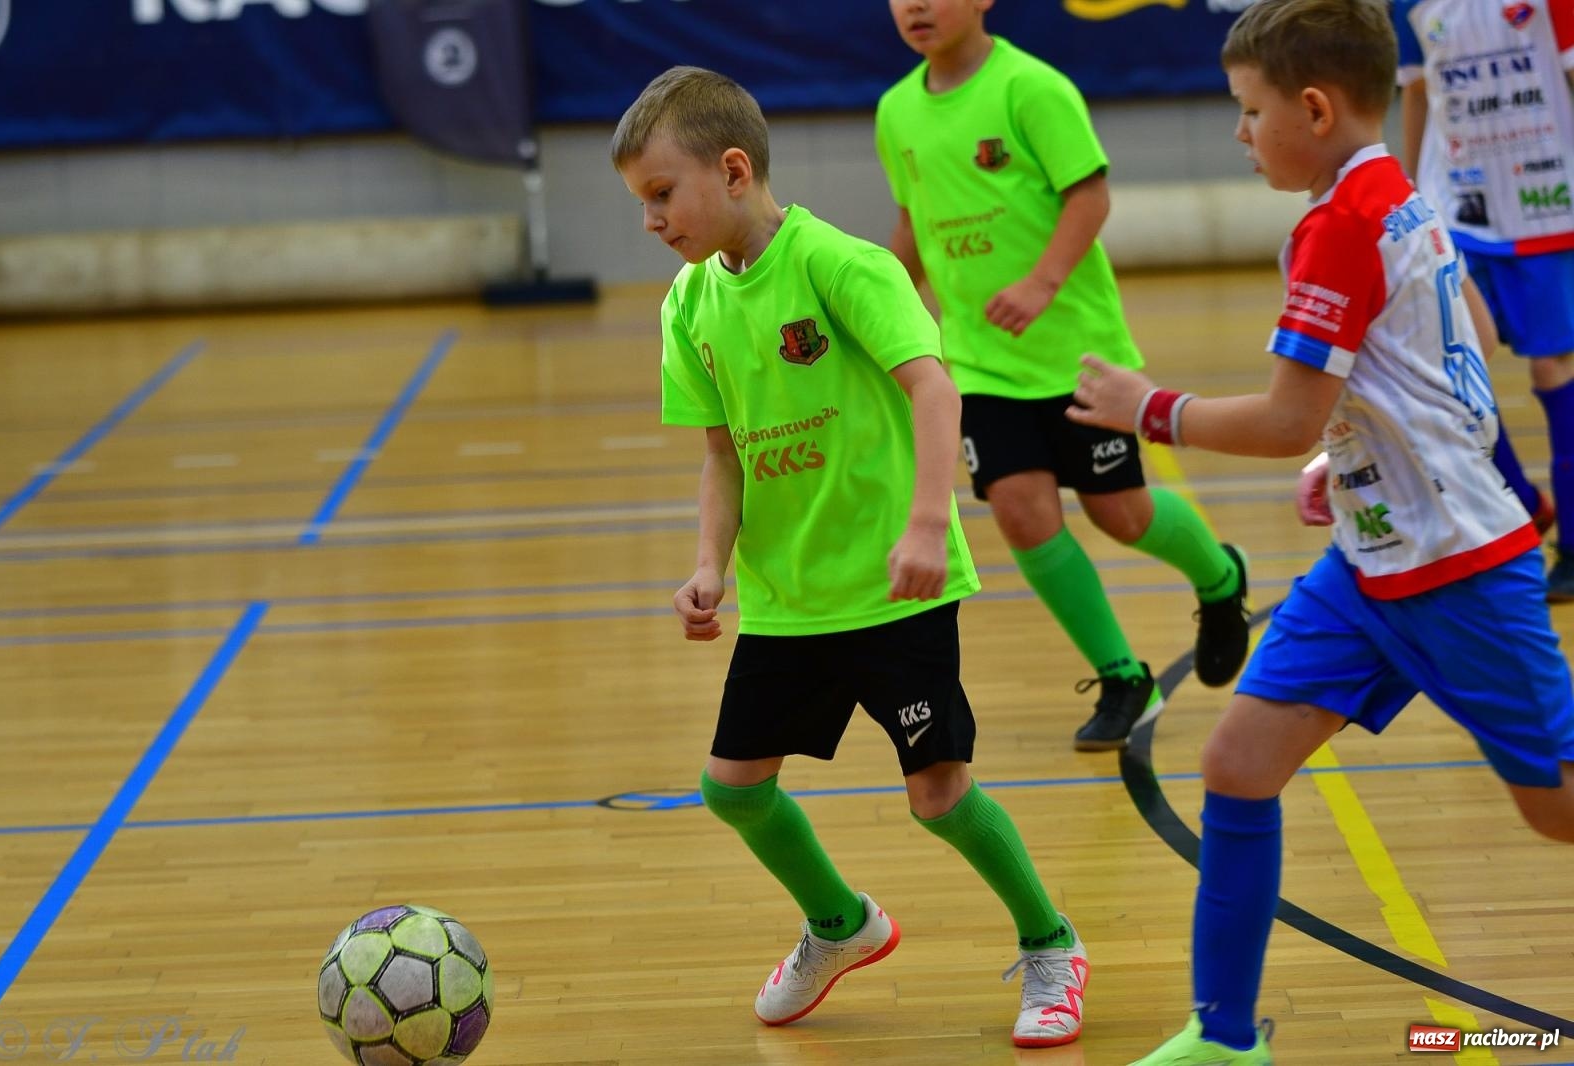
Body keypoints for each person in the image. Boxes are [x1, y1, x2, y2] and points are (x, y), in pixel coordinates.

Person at [1066, 0, 1574, 1061]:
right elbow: (1455, 351)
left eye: (1249, 113)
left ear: (1311, 106)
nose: (1240, 134)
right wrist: (1345, 462)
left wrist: (1149, 408)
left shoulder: (1340, 224)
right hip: (1373, 558)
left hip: (1458, 571)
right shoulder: (1398, 196)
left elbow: (1290, 409)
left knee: (1555, 809)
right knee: (1237, 766)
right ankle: (1225, 1036)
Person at [609, 65, 1091, 1048]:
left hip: (894, 586)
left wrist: (926, 524)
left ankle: (1052, 942)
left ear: (733, 170)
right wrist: (711, 566)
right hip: (789, 599)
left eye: (663, 194)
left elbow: (931, 387)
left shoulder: (841, 265)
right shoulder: (688, 305)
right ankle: (840, 924)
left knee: (938, 794)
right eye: (640, 202)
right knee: (732, 787)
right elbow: (721, 453)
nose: (651, 220)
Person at [875, 0, 1253, 753]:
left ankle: (1219, 578)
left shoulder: (1032, 88)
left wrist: (1043, 284)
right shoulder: (894, 111)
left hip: (1076, 349)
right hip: (981, 363)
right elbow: (913, 223)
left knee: (1121, 514)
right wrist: (881, 309)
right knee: (1021, 511)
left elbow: (1090, 195)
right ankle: (1122, 677)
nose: (915, 5)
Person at [1392, 0, 1574, 597]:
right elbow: (1417, 93)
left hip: (1546, 201)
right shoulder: (1411, 5)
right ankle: (1521, 506)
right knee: (1447, 366)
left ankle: (1572, 544)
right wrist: (1410, 195)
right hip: (1458, 208)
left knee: (1553, 367)